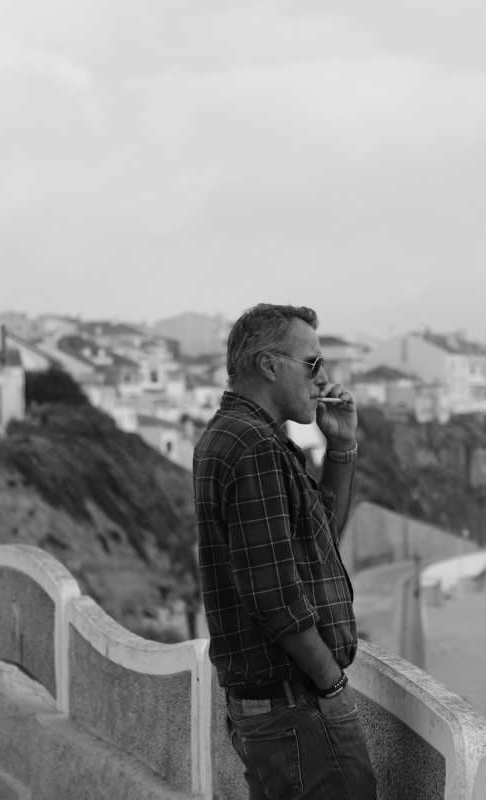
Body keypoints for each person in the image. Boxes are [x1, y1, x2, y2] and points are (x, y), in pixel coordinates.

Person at [193, 303, 377, 800]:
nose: (323, 379)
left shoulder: (242, 437)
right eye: (313, 363)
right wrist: (332, 686)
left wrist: (341, 447)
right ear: (270, 365)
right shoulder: (253, 446)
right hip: (294, 707)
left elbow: (318, 545)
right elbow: (275, 595)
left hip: (275, 709)